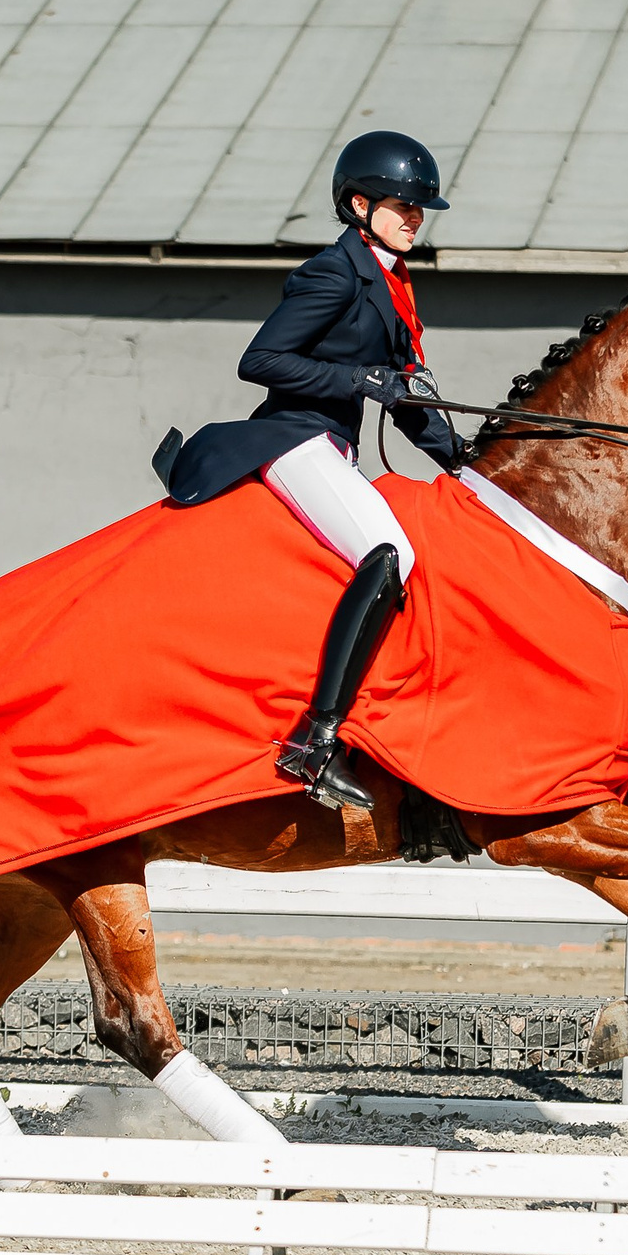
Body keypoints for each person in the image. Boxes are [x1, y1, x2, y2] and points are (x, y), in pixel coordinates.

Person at [156, 130, 468, 814]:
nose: (415, 219)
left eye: (420, 210)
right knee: (389, 554)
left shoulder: (393, 282)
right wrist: (360, 376)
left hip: (335, 446)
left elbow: (408, 400)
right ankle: (314, 742)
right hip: (294, 438)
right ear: (360, 204)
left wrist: (469, 464)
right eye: (402, 207)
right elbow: (260, 360)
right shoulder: (334, 272)